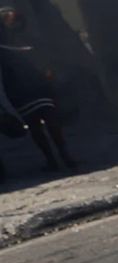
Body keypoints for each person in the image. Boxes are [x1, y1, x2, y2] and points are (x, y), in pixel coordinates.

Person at [0, 6, 74, 173]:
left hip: (26, 82)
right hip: (24, 83)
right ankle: (58, 158)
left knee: (43, 120)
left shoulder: (21, 38)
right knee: (40, 121)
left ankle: (60, 157)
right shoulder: (12, 40)